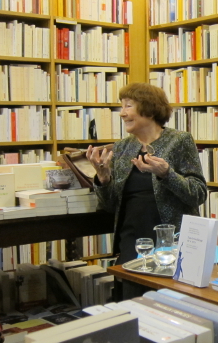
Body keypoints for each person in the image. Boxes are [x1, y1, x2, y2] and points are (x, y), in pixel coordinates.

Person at [86, 83, 207, 270]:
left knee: (166, 298)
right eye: (121, 106)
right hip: (132, 240)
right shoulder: (121, 148)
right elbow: (109, 206)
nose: (122, 113)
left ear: (149, 110)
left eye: (128, 106)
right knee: (130, 296)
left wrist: (166, 174)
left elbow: (198, 194)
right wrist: (103, 179)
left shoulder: (179, 141)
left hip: (171, 241)